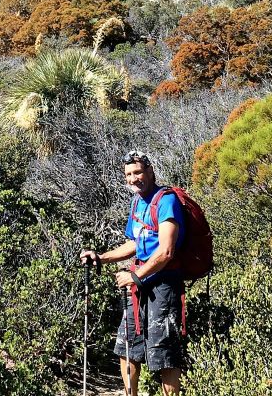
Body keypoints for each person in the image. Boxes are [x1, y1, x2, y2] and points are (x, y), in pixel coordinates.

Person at [80, 151, 185, 396]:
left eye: (137, 172)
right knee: (127, 345)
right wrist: (102, 257)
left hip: (164, 284)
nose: (133, 179)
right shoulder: (137, 202)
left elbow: (166, 251)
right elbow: (135, 243)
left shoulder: (166, 200)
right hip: (139, 283)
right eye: (128, 174)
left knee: (164, 351)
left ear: (150, 171)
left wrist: (135, 276)